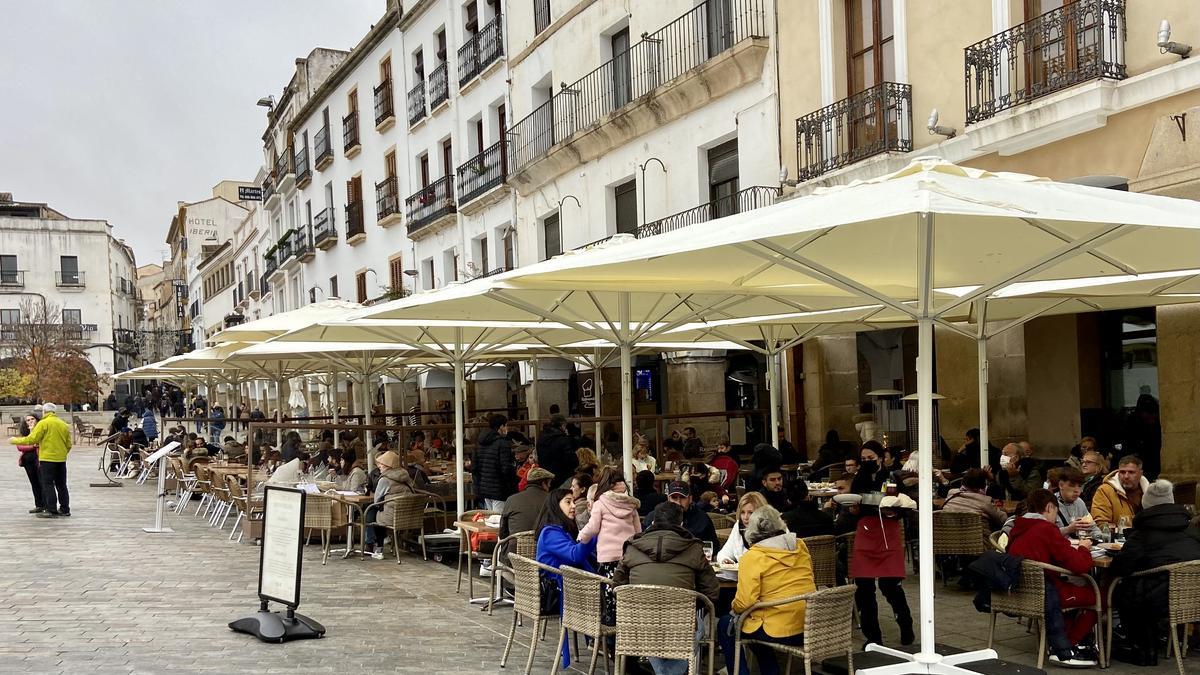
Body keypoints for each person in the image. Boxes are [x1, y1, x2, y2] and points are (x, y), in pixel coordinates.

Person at [615, 501, 720, 675]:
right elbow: (711, 592)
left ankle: (661, 671)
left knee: (652, 626)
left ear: (653, 523)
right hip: (681, 624)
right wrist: (687, 605)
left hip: (637, 625)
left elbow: (618, 586)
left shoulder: (632, 547)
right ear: (680, 524)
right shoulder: (694, 548)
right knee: (698, 627)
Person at [1109, 480, 1200, 666]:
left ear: (1146, 504)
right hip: (1194, 596)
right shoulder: (1191, 530)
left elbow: (1120, 567)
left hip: (1156, 601)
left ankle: (1142, 650)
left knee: (1124, 590)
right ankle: (1163, 639)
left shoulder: (1143, 534)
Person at [1006, 489, 1098, 667]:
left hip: (1021, 591)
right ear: (1049, 507)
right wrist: (1084, 548)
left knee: (1075, 589)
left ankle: (1063, 641)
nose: (1056, 518)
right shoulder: (1046, 529)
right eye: (1055, 512)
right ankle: (1067, 645)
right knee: (1097, 595)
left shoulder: (1018, 527)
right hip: (1046, 592)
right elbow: (1080, 566)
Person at [718, 506, 815, 675]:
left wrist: (734, 610)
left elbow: (744, 602)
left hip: (778, 629)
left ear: (752, 531)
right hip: (809, 624)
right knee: (751, 625)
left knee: (727, 624)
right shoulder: (800, 546)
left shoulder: (753, 557)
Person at [535, 488, 598, 670]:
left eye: (573, 501)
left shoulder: (561, 530)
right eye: (568, 502)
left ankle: (602, 642)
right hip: (558, 593)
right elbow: (574, 555)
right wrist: (593, 532)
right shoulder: (550, 533)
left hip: (571, 588)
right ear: (556, 506)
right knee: (612, 600)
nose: (573, 506)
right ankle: (608, 641)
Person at [577, 470, 641, 624]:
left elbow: (592, 527)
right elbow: (638, 531)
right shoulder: (631, 505)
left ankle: (611, 630)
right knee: (625, 591)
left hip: (607, 557)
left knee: (609, 592)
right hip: (628, 555)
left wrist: (581, 537)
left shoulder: (600, 503)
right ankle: (626, 625)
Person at [852, 493, 915, 647]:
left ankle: (905, 627)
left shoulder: (890, 485)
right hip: (868, 537)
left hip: (886, 537)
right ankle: (874, 637)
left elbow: (907, 509)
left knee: (888, 588)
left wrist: (895, 510)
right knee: (867, 591)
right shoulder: (855, 488)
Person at [9, 402, 72, 518]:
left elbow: (32, 439)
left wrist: (14, 440)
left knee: (47, 484)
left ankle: (51, 510)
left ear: (44, 411)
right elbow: (69, 444)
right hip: (61, 459)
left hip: (47, 459)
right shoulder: (63, 424)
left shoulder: (43, 423)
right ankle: (65, 509)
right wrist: (62, 453)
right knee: (62, 484)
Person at [364, 451, 416, 559]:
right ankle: (379, 545)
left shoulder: (384, 480)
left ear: (388, 465)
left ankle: (378, 548)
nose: (379, 466)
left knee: (371, 511)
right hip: (410, 516)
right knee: (377, 511)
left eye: (381, 464)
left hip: (391, 517)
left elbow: (376, 500)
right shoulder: (406, 476)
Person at [500, 467, 555, 560]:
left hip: (514, 556)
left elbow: (502, 533)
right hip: (544, 556)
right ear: (543, 483)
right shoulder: (552, 501)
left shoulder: (512, 499)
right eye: (549, 484)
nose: (549, 487)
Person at [644, 481, 718, 547]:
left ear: (690, 499)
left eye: (682, 497)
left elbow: (713, 546)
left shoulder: (702, 518)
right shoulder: (654, 516)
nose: (678, 502)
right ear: (668, 498)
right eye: (674, 498)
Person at [1089, 454, 1149, 528]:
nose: (1126, 476)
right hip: (1118, 538)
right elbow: (1101, 523)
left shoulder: (1151, 492)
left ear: (1140, 473)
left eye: (1131, 472)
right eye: (1122, 472)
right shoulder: (1105, 490)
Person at [473, 414, 517, 512]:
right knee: (498, 521)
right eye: (506, 426)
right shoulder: (503, 444)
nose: (507, 429)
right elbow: (506, 469)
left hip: (484, 489)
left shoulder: (479, 443)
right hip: (499, 490)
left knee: (491, 519)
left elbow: (475, 467)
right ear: (501, 426)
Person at [941, 469, 1007, 531]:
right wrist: (992, 479)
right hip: (980, 541)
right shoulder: (985, 501)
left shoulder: (951, 493)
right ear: (983, 485)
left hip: (949, 540)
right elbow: (1003, 520)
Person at [717, 491, 768, 564]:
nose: (745, 517)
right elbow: (723, 553)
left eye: (750, 512)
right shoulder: (738, 527)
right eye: (742, 512)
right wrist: (726, 561)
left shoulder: (772, 530)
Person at [1054, 468, 1102, 540]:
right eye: (1072, 485)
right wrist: (1068, 529)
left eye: (1079, 486)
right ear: (1061, 485)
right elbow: (1044, 534)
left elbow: (1093, 528)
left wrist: (1101, 536)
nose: (1077, 490)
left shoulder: (1079, 502)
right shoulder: (1050, 503)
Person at [15, 412, 45, 513]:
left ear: (37, 420)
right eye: (28, 420)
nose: (30, 421)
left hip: (39, 459)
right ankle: (39, 504)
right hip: (28, 459)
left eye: (32, 419)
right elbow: (20, 446)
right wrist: (32, 446)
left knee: (42, 482)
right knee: (34, 482)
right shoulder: (25, 432)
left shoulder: (41, 430)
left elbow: (40, 444)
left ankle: (46, 504)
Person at [536, 414, 577, 484]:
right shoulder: (562, 439)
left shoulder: (541, 438)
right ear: (562, 425)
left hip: (545, 477)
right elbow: (572, 460)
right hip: (561, 477)